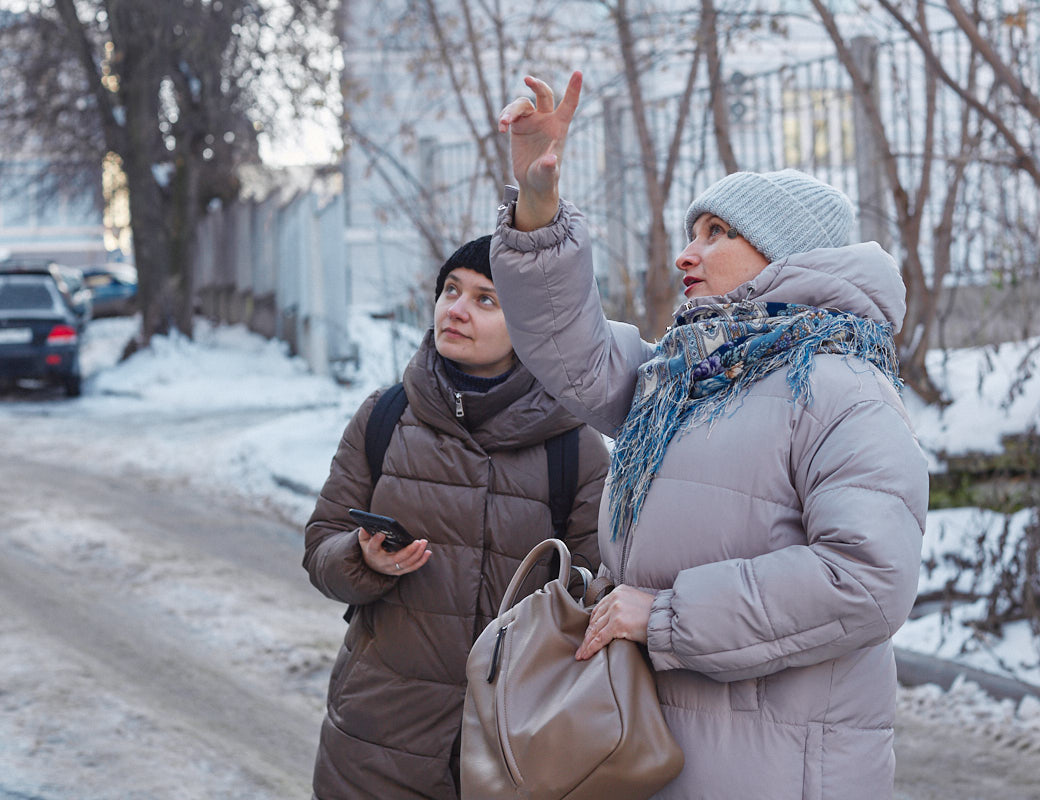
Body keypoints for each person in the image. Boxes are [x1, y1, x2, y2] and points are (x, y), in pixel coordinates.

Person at [489, 72, 928, 799]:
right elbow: (576, 352)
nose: (687, 254)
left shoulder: (841, 388)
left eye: (717, 234)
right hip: (660, 756)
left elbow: (868, 578)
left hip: (778, 774)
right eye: (690, 234)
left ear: (786, 256)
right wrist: (539, 209)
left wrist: (662, 614)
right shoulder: (689, 377)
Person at [302, 234, 610, 799]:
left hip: (516, 743)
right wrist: (360, 557)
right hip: (380, 737)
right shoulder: (385, 417)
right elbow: (321, 544)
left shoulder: (574, 446)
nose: (457, 310)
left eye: (485, 299)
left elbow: (598, 591)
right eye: (450, 291)